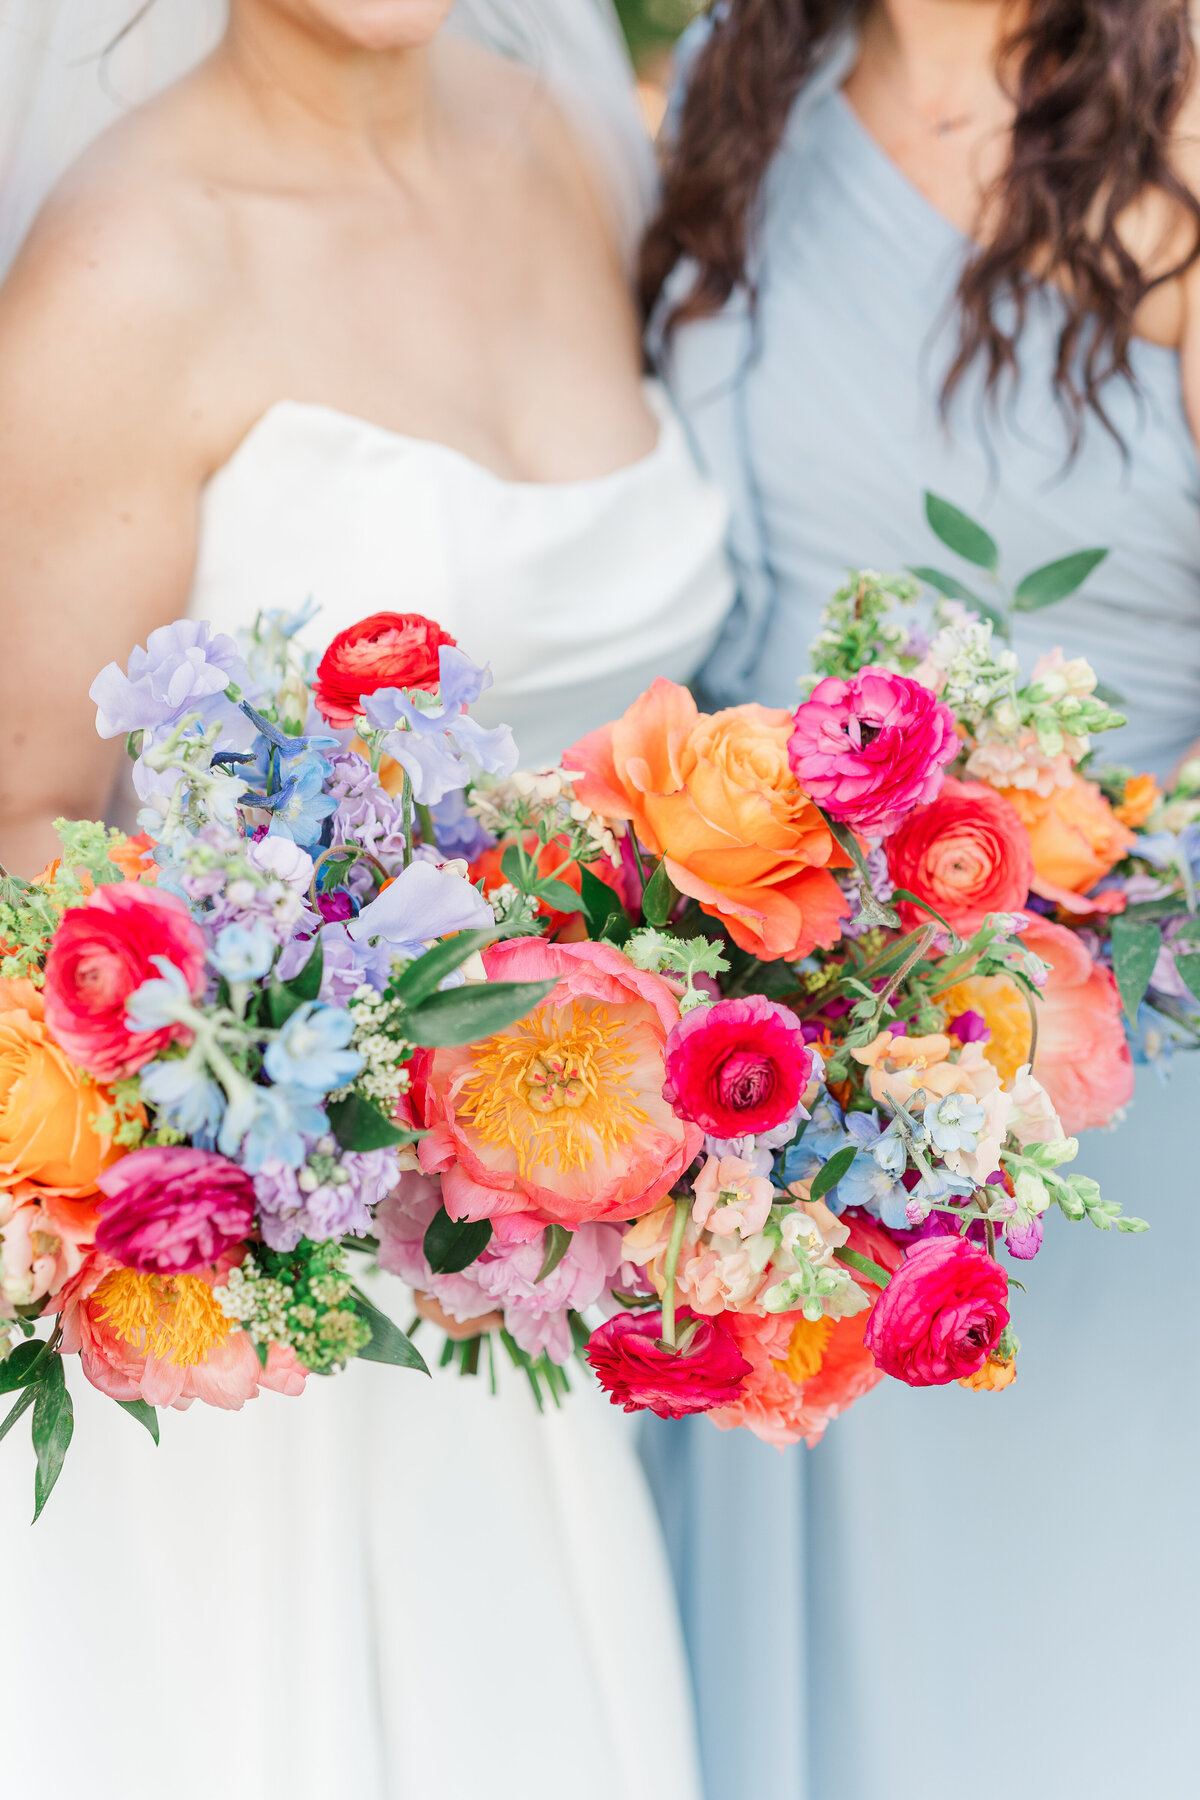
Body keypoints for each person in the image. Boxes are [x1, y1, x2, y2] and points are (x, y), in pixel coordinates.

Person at [0, 3, 732, 1797]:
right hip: (283, 1316)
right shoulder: (125, 269)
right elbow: (23, 827)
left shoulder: (574, 144)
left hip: (567, 1266)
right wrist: (318, 1107)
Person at [639, 3, 1200, 1798]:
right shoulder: (743, 69)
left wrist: (1007, 975)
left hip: (1078, 1107)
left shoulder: (1183, 135)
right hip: (745, 1101)